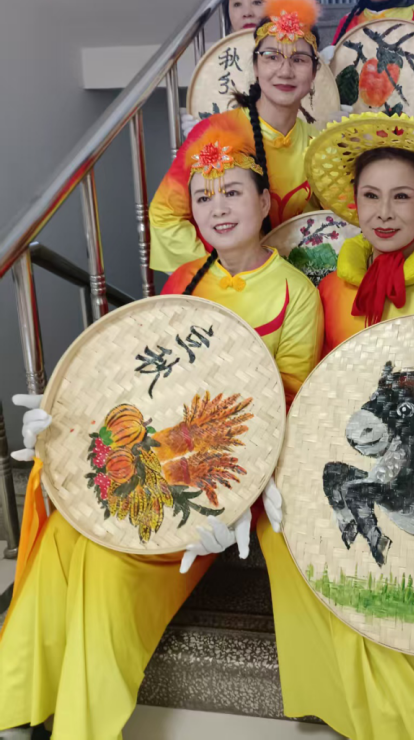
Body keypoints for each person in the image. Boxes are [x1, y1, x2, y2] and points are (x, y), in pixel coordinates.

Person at [0, 136, 323, 740]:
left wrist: (245, 493)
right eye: (203, 197)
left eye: (233, 192)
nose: (218, 207)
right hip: (156, 462)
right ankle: (15, 704)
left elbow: (293, 404)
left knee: (105, 564)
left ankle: (81, 725)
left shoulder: (295, 293)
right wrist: (65, 422)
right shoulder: (181, 280)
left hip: (225, 484)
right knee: (70, 533)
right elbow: (134, 384)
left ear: (264, 202)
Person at [259, 114, 414, 739]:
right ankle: (343, 702)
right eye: (371, 196)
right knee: (289, 535)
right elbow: (311, 394)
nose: (384, 213)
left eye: (402, 196)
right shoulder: (331, 291)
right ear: (354, 204)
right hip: (348, 456)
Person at [150, 0, 324, 274]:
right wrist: (217, 274)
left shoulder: (318, 145)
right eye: (272, 56)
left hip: (288, 284)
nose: (285, 71)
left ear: (314, 72)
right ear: (255, 66)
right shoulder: (215, 133)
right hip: (223, 282)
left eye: (299, 59)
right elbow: (164, 215)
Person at [180, 0, 277, 139]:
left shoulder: (295, 59)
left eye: (257, 2)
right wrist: (200, 136)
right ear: (228, 13)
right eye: (237, 4)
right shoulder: (216, 67)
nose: (247, 12)